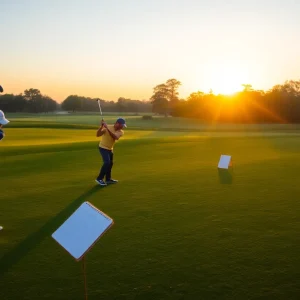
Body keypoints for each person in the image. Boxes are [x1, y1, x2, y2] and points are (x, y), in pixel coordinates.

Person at [95, 117, 126, 186]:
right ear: (117, 123)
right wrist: (101, 127)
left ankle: (108, 179)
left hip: (110, 149)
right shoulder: (108, 127)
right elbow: (98, 135)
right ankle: (99, 178)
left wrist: (107, 128)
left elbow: (115, 137)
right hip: (102, 147)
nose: (122, 127)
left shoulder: (121, 132)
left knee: (110, 164)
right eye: (122, 125)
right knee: (107, 162)